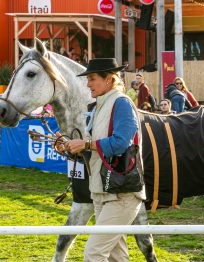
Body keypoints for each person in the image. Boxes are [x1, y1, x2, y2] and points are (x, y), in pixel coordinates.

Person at [57, 58, 145, 261]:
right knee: (117, 257)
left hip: (121, 193)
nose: (87, 84)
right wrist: (74, 147)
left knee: (93, 253)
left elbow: (122, 142)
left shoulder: (122, 103)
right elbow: (97, 145)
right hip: (101, 191)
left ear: (109, 79)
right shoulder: (98, 106)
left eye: (92, 79)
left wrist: (86, 144)